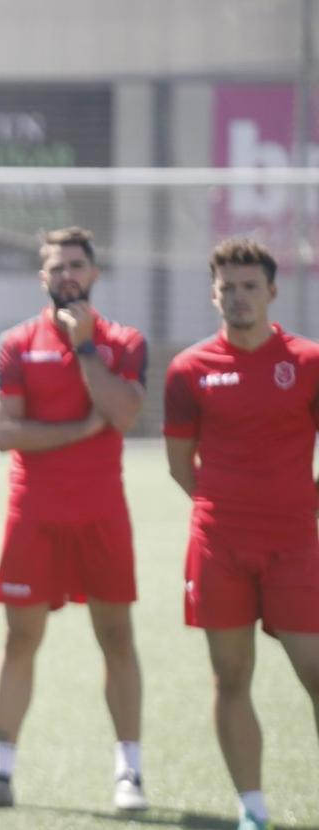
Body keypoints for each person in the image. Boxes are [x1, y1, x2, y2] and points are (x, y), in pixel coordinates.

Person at [0, 226, 148, 812]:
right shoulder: (17, 342)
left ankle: (129, 776)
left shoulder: (124, 341)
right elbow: (3, 431)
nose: (67, 274)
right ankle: (0, 774)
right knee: (20, 640)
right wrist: (76, 431)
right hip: (34, 515)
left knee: (116, 636)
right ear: (43, 278)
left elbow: (122, 413)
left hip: (101, 515)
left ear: (93, 273)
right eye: (56, 266)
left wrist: (86, 347)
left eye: (76, 265)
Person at [163, 238, 319, 830]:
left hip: (295, 545)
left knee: (316, 673)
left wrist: (304, 505)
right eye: (227, 287)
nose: (238, 297)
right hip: (219, 546)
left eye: (249, 286)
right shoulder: (188, 369)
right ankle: (252, 809)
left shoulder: (308, 361)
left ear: (272, 293)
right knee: (231, 675)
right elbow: (181, 465)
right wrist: (222, 508)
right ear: (213, 293)